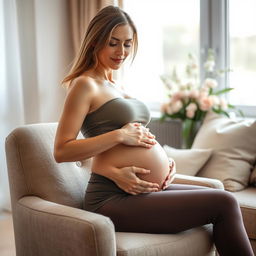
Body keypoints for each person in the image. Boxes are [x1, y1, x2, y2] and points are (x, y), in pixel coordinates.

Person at [54, 5, 254, 256]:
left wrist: (164, 163)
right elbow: (62, 150)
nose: (122, 52)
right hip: (111, 199)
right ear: (95, 42)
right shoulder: (84, 85)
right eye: (113, 43)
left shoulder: (115, 84)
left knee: (218, 193)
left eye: (127, 44)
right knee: (224, 203)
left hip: (140, 191)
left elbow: (120, 146)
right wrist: (119, 135)